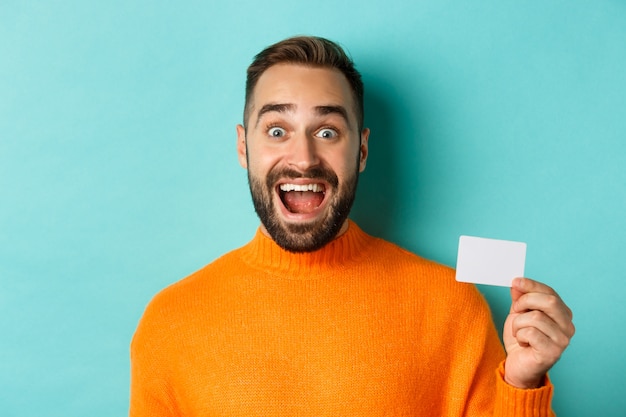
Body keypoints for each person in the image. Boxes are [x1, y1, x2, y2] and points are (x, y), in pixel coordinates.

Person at [129, 36, 575, 416]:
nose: (303, 158)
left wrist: (522, 385)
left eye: (327, 132)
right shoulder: (170, 323)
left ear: (361, 151)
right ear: (244, 147)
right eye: (277, 130)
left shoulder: (452, 309)